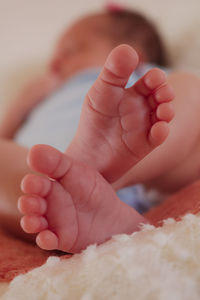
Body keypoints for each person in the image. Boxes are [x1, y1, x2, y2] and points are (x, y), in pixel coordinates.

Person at [0, 8, 199, 253]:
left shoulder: (142, 84)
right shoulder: (41, 100)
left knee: (189, 91)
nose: (54, 62)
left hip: (144, 170)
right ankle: (79, 202)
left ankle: (104, 175)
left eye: (72, 50)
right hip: (42, 181)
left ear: (136, 58)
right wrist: (20, 106)